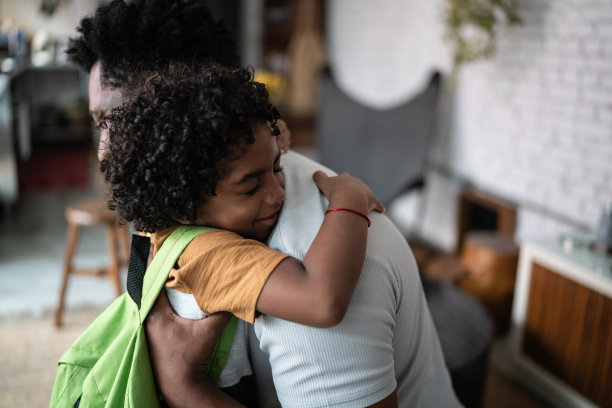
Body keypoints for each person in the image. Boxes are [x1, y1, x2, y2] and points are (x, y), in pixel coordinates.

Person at [69, 1, 460, 406]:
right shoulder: (194, 215)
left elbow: (322, 299)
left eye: (110, 122)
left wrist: (183, 384)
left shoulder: (301, 246)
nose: (103, 151)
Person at [100, 63, 383, 399]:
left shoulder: (173, 222)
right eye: (250, 188)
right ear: (185, 206)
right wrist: (349, 198)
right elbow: (322, 301)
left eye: (277, 168)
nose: (278, 193)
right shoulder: (208, 255)